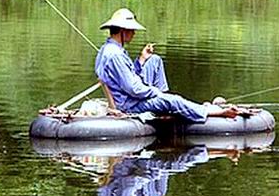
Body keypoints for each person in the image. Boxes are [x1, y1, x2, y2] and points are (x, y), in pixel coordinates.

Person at [94, 8, 238, 122]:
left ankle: (163, 103)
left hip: (130, 94)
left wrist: (142, 60)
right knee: (173, 100)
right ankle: (208, 111)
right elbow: (133, 89)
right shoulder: (115, 55)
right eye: (131, 30)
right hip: (129, 104)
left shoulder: (109, 49)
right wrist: (156, 92)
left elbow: (126, 77)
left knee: (154, 60)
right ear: (122, 30)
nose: (134, 33)